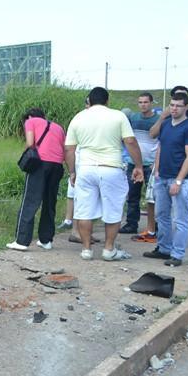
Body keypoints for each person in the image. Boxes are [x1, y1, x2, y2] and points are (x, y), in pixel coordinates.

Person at [64, 87, 143, 261]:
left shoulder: (78, 117)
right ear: (107, 101)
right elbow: (130, 141)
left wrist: (72, 172)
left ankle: (86, 249)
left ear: (89, 101)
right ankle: (108, 249)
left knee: (84, 210)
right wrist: (138, 165)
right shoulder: (118, 116)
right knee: (113, 209)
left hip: (85, 168)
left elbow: (69, 149)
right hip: (111, 167)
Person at [144, 92, 188, 266]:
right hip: (162, 177)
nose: (174, 108)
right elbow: (160, 147)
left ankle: (178, 254)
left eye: (178, 106)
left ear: (186, 108)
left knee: (180, 218)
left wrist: (179, 181)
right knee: (162, 215)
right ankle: (164, 248)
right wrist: (157, 170)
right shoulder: (166, 125)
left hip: (180, 179)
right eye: (172, 105)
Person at [7, 108, 66, 251]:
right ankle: (46, 240)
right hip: (57, 165)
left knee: (30, 201)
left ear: (30, 116)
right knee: (49, 202)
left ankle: (21, 241)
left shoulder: (30, 121)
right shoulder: (58, 127)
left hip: (40, 164)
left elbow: (30, 143)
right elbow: (65, 149)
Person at [119, 92, 160, 235]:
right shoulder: (133, 118)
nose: (143, 105)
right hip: (133, 162)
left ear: (151, 103)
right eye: (140, 102)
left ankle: (155, 225)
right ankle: (131, 223)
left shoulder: (158, 119)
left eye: (146, 102)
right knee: (132, 195)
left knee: (153, 197)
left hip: (151, 163)